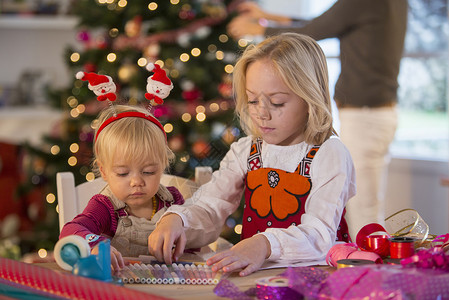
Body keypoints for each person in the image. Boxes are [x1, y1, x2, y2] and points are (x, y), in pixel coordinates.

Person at [148, 33, 356, 276]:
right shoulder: (247, 150)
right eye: (253, 100)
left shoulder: (329, 153)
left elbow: (319, 234)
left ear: (310, 98)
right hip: (255, 279)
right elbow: (211, 205)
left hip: (315, 279)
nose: (262, 114)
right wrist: (178, 220)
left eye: (277, 102)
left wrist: (264, 244)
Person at [227, 0, 408, 240]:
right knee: (369, 207)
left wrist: (260, 29)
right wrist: (266, 15)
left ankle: (364, 274)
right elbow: (321, 24)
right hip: (377, 114)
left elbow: (311, 33)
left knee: (363, 212)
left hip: (365, 115)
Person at [59, 104, 184, 271]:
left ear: (162, 166)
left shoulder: (173, 200)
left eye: (149, 172)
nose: (136, 182)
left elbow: (192, 244)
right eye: (123, 173)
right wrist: (96, 246)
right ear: (103, 171)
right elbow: (70, 230)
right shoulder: (105, 206)